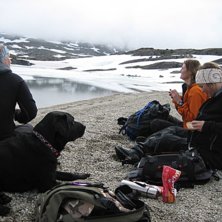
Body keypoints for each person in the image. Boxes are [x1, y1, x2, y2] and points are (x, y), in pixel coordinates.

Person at [116, 62, 222, 170]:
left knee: (166, 136)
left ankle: (141, 149)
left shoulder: (197, 92)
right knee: (169, 129)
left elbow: (192, 119)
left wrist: (204, 125)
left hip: (207, 150)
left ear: (211, 83)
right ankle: (140, 149)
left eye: (203, 86)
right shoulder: (213, 97)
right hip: (200, 137)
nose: (202, 90)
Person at [150, 59, 208, 133]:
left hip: (192, 130)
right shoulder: (190, 88)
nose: (180, 70)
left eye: (183, 68)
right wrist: (177, 99)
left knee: (156, 123)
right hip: (186, 125)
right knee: (161, 115)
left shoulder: (195, 91)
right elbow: (186, 110)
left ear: (190, 71)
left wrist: (179, 102)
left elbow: (193, 120)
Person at [0, 44, 37, 141]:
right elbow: (31, 112)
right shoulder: (15, 81)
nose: (10, 60)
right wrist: (17, 115)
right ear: (3, 60)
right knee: (29, 129)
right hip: (4, 138)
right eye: (8, 56)